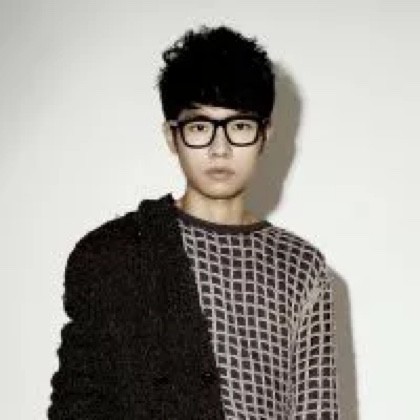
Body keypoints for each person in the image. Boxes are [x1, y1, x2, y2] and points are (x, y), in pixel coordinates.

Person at [47, 25, 340, 419]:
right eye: (200, 127)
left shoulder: (300, 267)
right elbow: (77, 408)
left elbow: (316, 411)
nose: (220, 149)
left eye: (239, 126)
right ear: (172, 136)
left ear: (265, 134)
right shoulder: (112, 256)